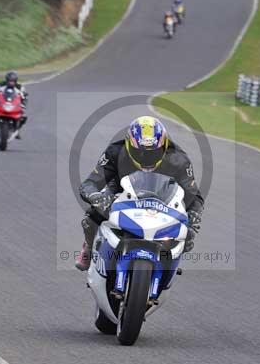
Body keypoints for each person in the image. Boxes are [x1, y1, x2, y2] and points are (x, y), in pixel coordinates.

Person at [75, 115, 204, 271]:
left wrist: (194, 218)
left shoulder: (178, 159)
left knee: (187, 237)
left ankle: (169, 264)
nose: (146, 157)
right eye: (139, 152)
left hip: (163, 199)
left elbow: (194, 195)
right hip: (121, 194)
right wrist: (96, 197)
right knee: (91, 219)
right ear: (129, 145)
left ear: (163, 146)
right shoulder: (115, 152)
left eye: (153, 152)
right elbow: (90, 183)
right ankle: (88, 248)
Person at [0, 71, 28, 138]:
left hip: (14, 104)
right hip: (2, 103)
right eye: (9, 81)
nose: (11, 82)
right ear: (6, 80)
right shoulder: (0, 84)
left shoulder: (20, 87)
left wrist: (23, 104)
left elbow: (24, 97)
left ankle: (17, 130)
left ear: (15, 80)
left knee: (23, 117)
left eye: (13, 81)